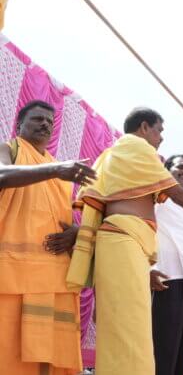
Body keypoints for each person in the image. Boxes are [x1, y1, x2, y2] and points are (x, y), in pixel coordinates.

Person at [66, 107, 183, 375]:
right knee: (130, 329)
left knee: (134, 329)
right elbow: (174, 192)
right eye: (159, 130)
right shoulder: (136, 148)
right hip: (127, 244)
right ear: (143, 127)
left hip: (138, 248)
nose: (161, 137)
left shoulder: (121, 156)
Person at [0, 100, 96, 374]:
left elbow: (63, 216)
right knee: (8, 353)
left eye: (49, 122)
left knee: (48, 358)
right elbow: (1, 174)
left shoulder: (57, 167)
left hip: (54, 275)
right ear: (19, 124)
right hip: (12, 274)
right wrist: (55, 170)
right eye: (38, 119)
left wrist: (77, 233)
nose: (45, 124)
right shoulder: (10, 149)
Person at [151, 154, 183, 375]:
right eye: (180, 167)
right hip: (167, 282)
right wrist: (148, 270)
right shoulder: (157, 198)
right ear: (166, 169)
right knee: (164, 354)